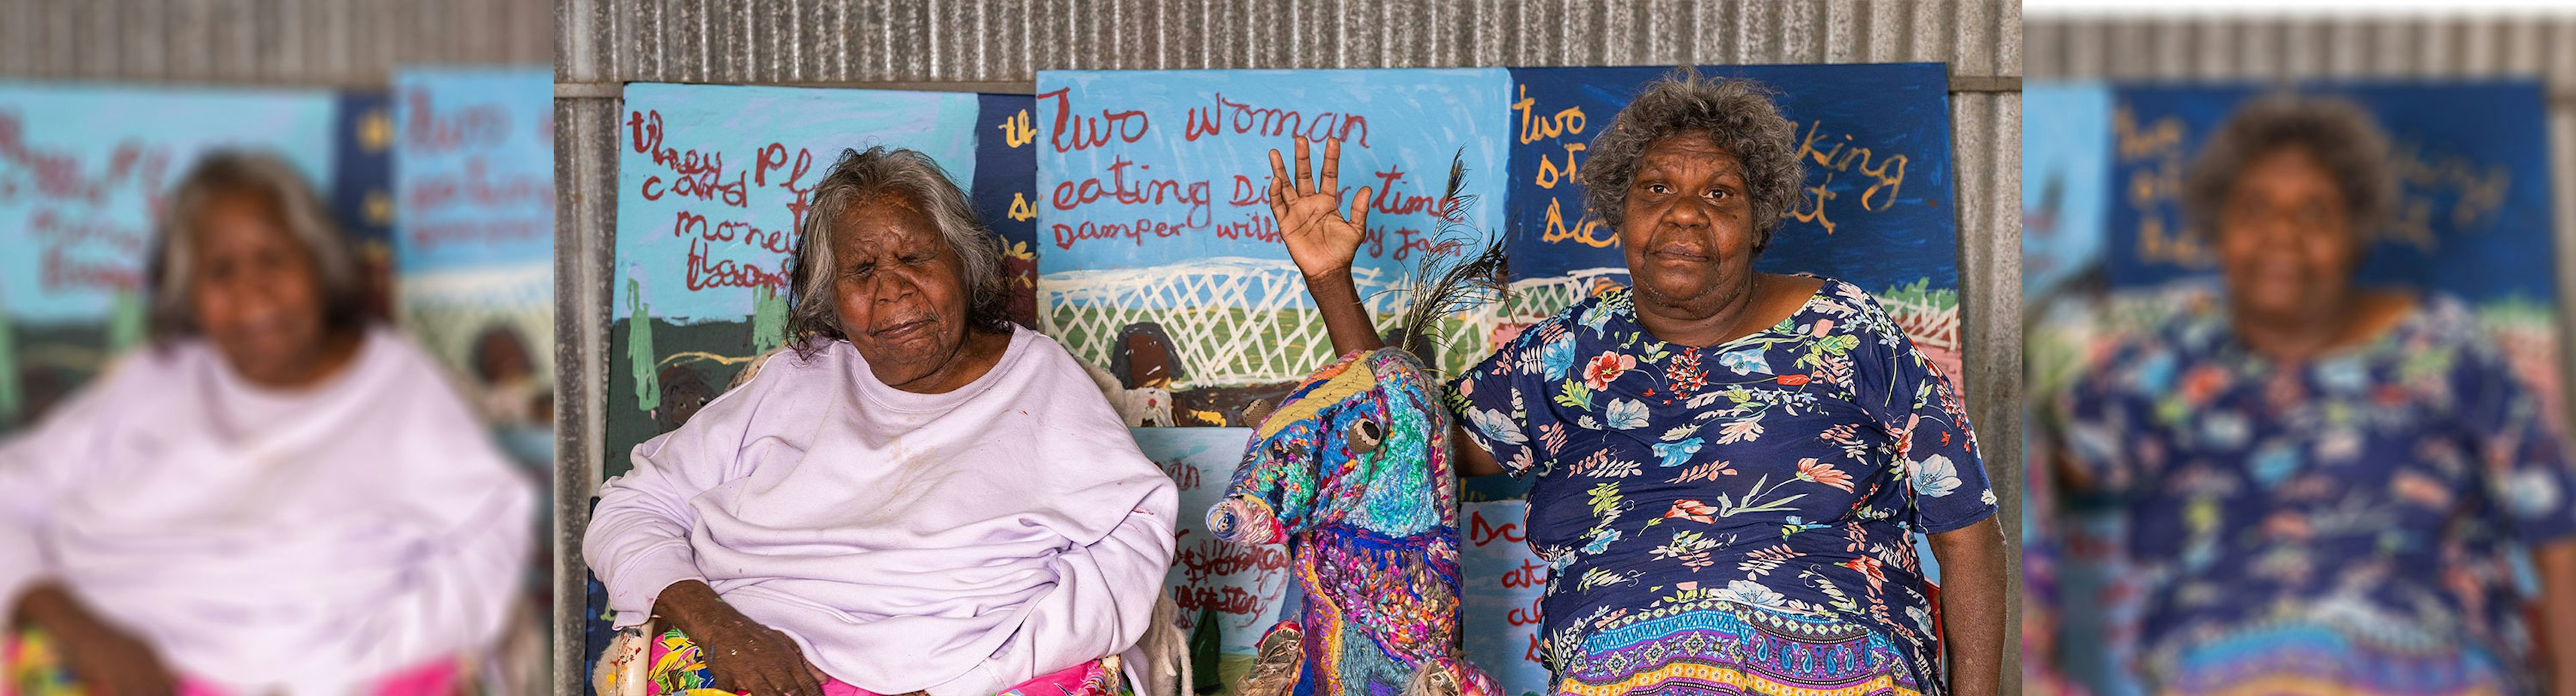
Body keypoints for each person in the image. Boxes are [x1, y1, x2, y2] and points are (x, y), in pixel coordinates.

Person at [1267, 68, 2004, 696]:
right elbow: (1405, 444)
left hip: (1839, 666)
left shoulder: (1849, 329)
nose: (1684, 210)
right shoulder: (1570, 349)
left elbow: (1969, 532)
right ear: (1621, 213)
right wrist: (1332, 280)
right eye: (1657, 187)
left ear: (1758, 224)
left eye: (1720, 195)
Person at [584, 146, 1177, 696]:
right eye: (861, 270)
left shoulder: (1040, 381)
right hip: (758, 651)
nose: (892, 290)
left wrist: (967, 681)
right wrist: (718, 626)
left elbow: (1127, 551)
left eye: (915, 258)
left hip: (979, 668)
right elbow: (630, 510)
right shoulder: (795, 379)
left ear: (965, 264)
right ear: (832, 296)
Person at [2056, 93, 2576, 696]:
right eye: (2255, 208)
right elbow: (2045, 475)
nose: (2282, 234)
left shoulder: (2446, 347)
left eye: (2316, 212)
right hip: (2230, 650)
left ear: (2356, 232)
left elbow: (2558, 530)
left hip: (2434, 650)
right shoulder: (2166, 358)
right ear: (2217, 226)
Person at [0, 150, 534, 695]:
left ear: (321, 262)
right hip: (115, 668)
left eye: (273, 258)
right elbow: (9, 492)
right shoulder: (153, 381)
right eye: (220, 270)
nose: (251, 292)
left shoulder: (398, 387)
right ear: (189, 292)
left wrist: (352, 662)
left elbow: (489, 540)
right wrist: (76, 625)